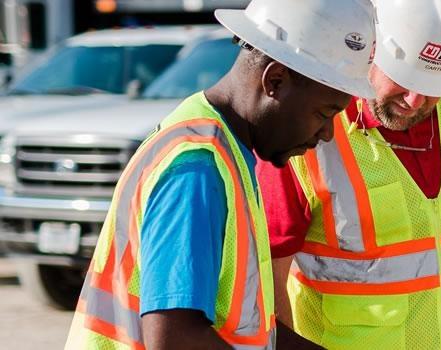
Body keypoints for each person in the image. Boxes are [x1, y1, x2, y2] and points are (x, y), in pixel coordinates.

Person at [63, 0, 377, 349]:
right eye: (324, 113)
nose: (327, 134)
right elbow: (174, 338)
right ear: (274, 79)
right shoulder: (198, 168)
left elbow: (251, 333)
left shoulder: (224, 149)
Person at [259, 0, 441, 349]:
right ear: (368, 46)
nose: (415, 100)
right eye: (404, 77)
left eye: (434, 83)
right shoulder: (307, 124)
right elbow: (267, 273)